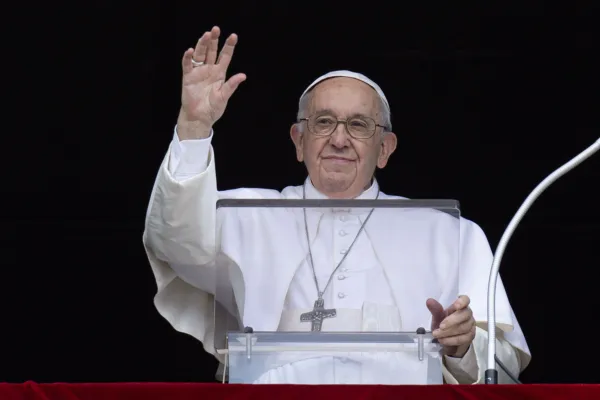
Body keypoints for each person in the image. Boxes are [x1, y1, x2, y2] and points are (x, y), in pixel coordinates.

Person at [143, 26, 530, 384]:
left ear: (385, 150)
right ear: (298, 140)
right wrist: (193, 127)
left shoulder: (448, 232)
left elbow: (502, 365)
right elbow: (174, 239)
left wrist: (462, 346)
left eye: (359, 125)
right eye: (323, 122)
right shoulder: (246, 215)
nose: (339, 140)